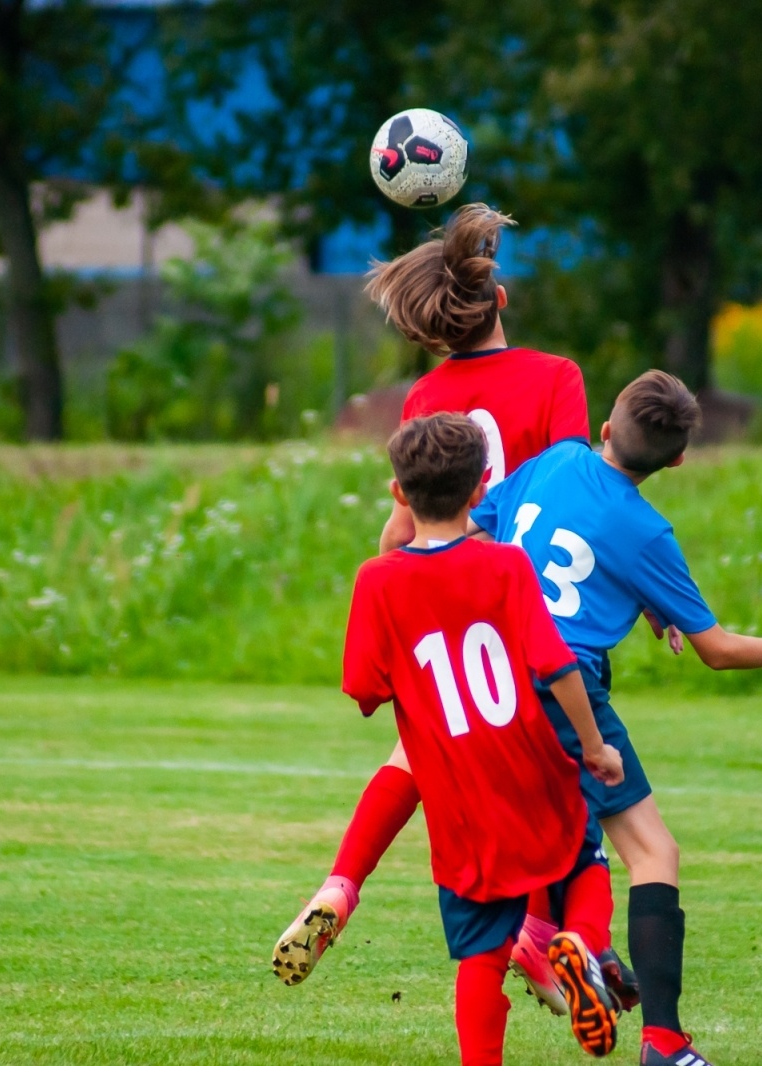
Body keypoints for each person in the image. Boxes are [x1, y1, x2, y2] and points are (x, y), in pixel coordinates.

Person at [274, 204, 631, 1010]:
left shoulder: (425, 397)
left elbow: (404, 524)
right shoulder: (556, 377)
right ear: (499, 299)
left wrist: (390, 583)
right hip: (529, 609)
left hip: (436, 607)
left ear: (431, 333)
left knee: (422, 760)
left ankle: (342, 883)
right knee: (554, 791)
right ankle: (547, 941)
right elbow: (580, 493)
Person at [469, 370, 762, 1066]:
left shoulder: (557, 459)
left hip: (495, 679)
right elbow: (715, 651)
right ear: (679, 459)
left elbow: (497, 537)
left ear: (605, 426)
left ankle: (560, 941)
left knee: (563, 830)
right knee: (653, 853)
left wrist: (643, 601)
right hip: (565, 687)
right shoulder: (646, 529)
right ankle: (662, 1039)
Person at [339, 413, 626, 1063]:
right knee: (585, 862)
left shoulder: (377, 580)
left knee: (481, 954)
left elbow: (364, 692)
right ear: (479, 494)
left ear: (398, 494)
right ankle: (578, 939)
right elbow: (558, 667)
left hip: (457, 796)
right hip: (533, 769)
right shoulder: (507, 566)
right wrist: (593, 745)